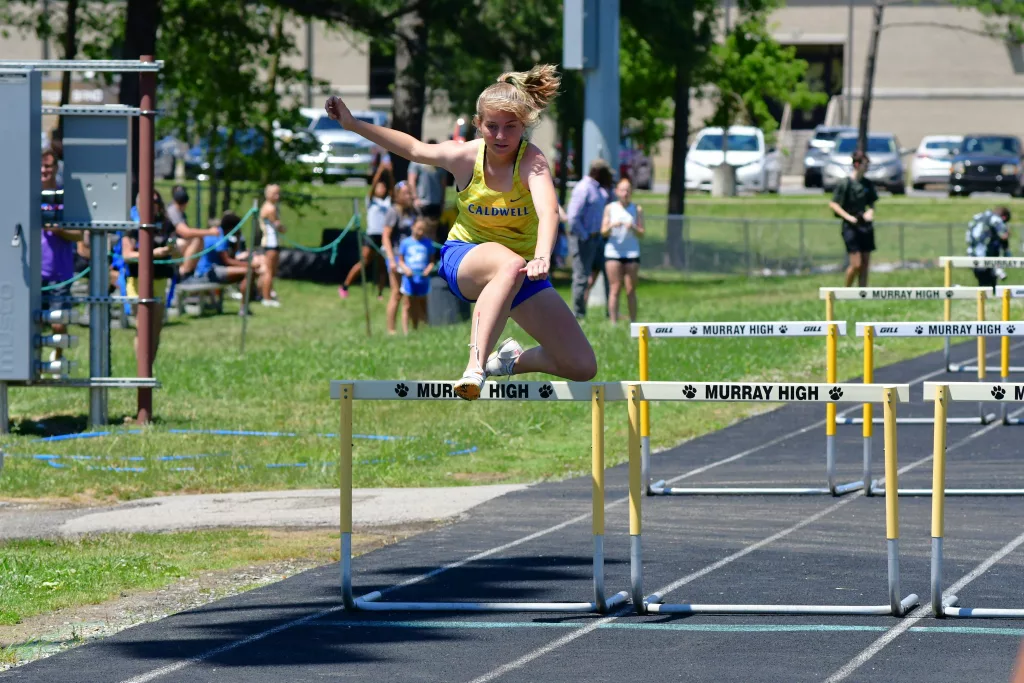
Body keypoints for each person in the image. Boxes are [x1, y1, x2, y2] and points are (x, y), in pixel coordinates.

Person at [326, 63, 597, 400]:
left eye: (510, 127)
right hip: (465, 258)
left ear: (524, 125)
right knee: (509, 263)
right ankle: (474, 367)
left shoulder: (532, 161)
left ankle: (508, 361)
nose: (501, 136)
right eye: (492, 127)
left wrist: (542, 256)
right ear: (478, 125)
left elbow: (548, 211)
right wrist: (352, 124)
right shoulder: (465, 157)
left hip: (523, 271)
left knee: (581, 365)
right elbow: (413, 148)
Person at [121, 190, 179, 359]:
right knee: (143, 327)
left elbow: (177, 252)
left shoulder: (166, 224)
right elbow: (127, 255)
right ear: (139, 205)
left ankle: (149, 367)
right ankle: (142, 368)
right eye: (148, 202)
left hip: (160, 279)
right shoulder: (131, 225)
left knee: (155, 328)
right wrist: (154, 254)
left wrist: (173, 249)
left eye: (155, 202)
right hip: (137, 280)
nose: (152, 206)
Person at [39, 147, 80, 368]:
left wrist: (59, 230)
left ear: (56, 168)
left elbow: (79, 234)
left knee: (58, 322)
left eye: (48, 166)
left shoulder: (65, 198)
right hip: (33, 272)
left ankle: (57, 357)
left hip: (59, 272)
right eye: (41, 166)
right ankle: (33, 363)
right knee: (31, 323)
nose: (44, 170)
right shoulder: (29, 195)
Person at [567, 158, 613, 319]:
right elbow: (573, 217)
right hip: (583, 240)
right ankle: (578, 315)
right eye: (606, 174)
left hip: (599, 239)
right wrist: (585, 235)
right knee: (581, 278)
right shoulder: (583, 188)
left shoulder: (599, 189)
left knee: (609, 274)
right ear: (597, 172)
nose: (609, 177)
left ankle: (611, 313)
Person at [192, 212, 262, 315]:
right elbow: (227, 261)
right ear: (232, 227)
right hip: (208, 271)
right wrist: (250, 265)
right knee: (249, 271)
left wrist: (237, 239)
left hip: (217, 269)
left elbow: (231, 258)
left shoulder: (223, 234)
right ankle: (244, 307)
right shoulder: (219, 236)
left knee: (249, 272)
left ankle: (245, 305)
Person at [340, 164, 392, 300]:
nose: (381, 189)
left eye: (383, 187)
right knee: (364, 261)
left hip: (384, 236)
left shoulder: (388, 202)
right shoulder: (371, 200)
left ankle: (380, 293)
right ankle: (345, 285)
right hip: (371, 235)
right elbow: (373, 185)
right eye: (379, 187)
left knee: (382, 265)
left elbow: (392, 187)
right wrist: (380, 171)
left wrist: (389, 173)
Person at [828, 150, 878, 287]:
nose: (867, 167)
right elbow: (833, 204)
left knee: (865, 264)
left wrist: (870, 212)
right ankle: (846, 290)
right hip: (850, 227)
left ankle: (863, 293)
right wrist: (849, 217)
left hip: (865, 226)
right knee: (856, 264)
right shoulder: (845, 183)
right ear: (857, 164)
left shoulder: (867, 184)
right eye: (865, 164)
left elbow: (872, 203)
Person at [601, 177, 644, 324]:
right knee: (615, 288)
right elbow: (603, 232)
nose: (625, 193)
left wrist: (633, 227)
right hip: (613, 253)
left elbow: (642, 233)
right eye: (622, 190)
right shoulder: (610, 208)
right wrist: (612, 225)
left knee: (631, 289)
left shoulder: (637, 209)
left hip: (631, 253)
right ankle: (613, 322)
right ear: (617, 191)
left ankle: (634, 322)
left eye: (628, 190)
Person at [382, 181, 420, 334]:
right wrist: (391, 259)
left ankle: (413, 328)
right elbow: (385, 236)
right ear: (397, 196)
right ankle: (391, 329)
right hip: (397, 256)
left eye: (409, 193)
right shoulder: (393, 212)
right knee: (397, 293)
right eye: (405, 193)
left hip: (412, 257)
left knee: (412, 294)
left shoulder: (413, 211)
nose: (408, 196)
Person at [167, 185, 219, 278]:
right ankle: (183, 272)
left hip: (176, 243)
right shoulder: (172, 210)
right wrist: (210, 232)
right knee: (196, 239)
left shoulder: (180, 212)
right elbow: (185, 232)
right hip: (169, 243)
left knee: (198, 239)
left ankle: (188, 271)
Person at [397, 217, 436, 334]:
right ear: (412, 227)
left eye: (423, 230)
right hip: (409, 279)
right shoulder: (406, 243)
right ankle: (406, 331)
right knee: (408, 304)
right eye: (418, 229)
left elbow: (432, 261)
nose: (420, 232)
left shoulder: (428, 243)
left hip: (423, 279)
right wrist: (406, 269)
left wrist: (428, 270)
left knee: (422, 304)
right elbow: (401, 261)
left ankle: (422, 327)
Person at [967, 206, 1012, 288]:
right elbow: (1003, 236)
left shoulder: (978, 217)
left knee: (983, 284)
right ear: (1004, 217)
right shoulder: (996, 219)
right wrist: (1008, 231)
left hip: (972, 255)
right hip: (986, 256)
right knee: (989, 286)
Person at [259, 184, 286, 307]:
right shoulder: (270, 208)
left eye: (278, 193)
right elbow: (278, 226)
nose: (278, 196)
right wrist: (282, 228)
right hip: (270, 242)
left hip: (272, 242)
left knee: (271, 271)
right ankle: (266, 297)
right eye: (275, 193)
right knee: (269, 271)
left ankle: (265, 293)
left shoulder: (269, 207)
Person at [408, 142, 448, 222]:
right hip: (421, 201)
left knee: (434, 227)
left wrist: (443, 200)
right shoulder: (417, 161)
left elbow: (443, 183)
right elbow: (411, 180)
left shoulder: (441, 164)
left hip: (436, 202)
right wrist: (415, 198)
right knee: (421, 225)